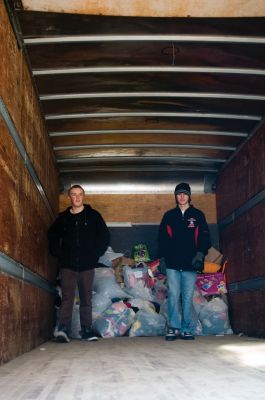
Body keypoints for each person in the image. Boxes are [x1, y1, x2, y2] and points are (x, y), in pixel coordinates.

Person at [48, 184, 110, 343]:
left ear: (83, 196)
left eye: (79, 194)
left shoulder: (93, 216)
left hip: (87, 265)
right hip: (67, 264)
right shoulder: (63, 218)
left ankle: (87, 330)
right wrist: (58, 253)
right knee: (67, 298)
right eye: (73, 195)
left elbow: (104, 237)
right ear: (70, 197)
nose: (77, 197)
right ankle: (63, 329)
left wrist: (94, 255)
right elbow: (52, 234)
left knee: (86, 299)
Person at [158, 182, 211, 341]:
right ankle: (173, 328)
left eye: (184, 194)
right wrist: (162, 257)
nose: (182, 197)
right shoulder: (169, 216)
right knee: (174, 294)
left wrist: (200, 254)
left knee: (187, 296)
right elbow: (162, 238)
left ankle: (187, 328)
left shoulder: (198, 215)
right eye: (179, 194)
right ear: (175, 196)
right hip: (173, 263)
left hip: (190, 263)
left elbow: (205, 236)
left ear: (189, 196)